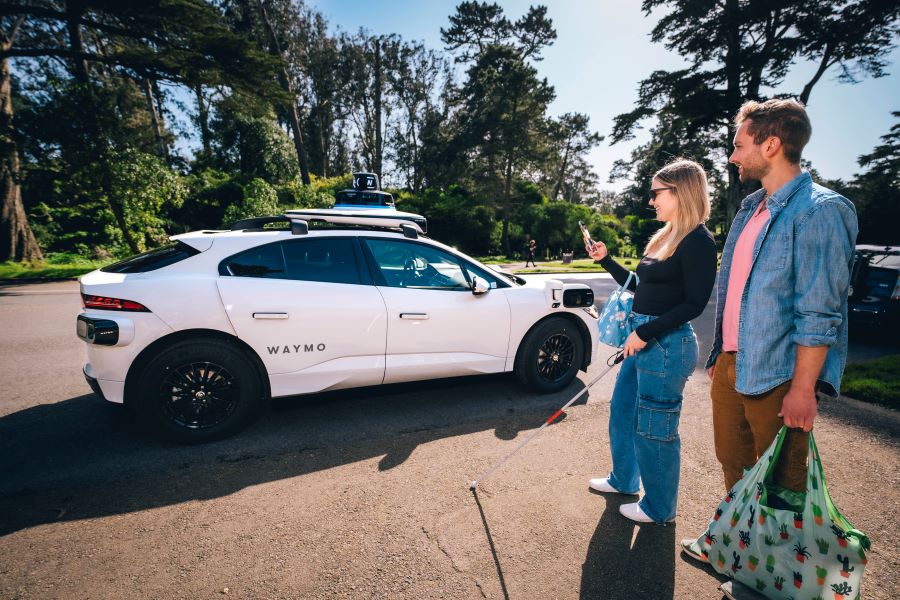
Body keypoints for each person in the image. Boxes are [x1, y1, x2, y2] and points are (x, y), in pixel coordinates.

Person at [681, 99, 857, 563]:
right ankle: (738, 548)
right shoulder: (749, 208)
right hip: (733, 365)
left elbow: (820, 313)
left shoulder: (821, 211)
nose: (733, 155)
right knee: (734, 465)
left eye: (740, 145)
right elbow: (736, 293)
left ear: (772, 144)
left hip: (780, 375)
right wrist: (720, 355)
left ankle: (777, 573)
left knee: (781, 482)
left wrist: (804, 389)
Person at [585, 158, 717, 524]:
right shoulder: (668, 235)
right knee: (623, 413)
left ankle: (660, 509)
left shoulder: (699, 242)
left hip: (665, 345)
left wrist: (645, 332)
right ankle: (624, 480)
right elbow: (643, 288)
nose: (651, 200)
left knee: (655, 430)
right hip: (644, 337)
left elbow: (694, 303)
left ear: (680, 191)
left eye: (656, 192)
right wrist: (606, 260)